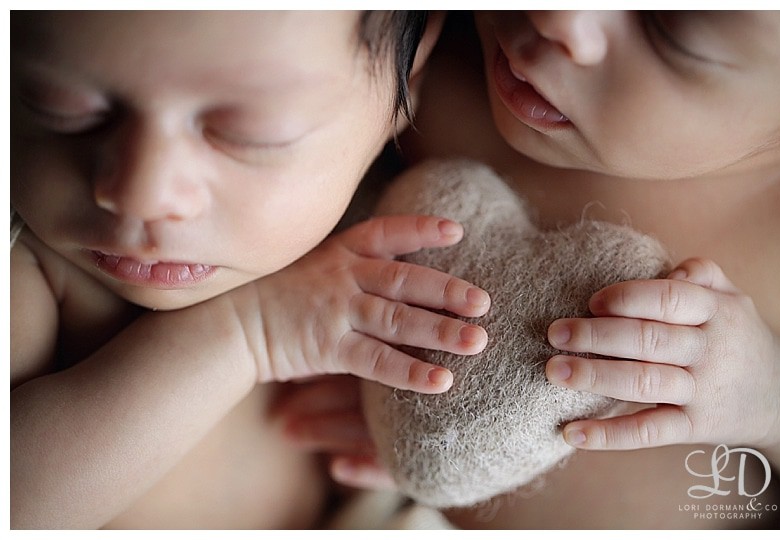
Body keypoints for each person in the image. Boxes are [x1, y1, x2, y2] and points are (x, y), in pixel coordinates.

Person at [281, 11, 780, 528]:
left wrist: (772, 396)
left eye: (665, 23)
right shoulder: (427, 50)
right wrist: (376, 374)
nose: (554, 15)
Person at [9, 10, 495, 529]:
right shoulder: (32, 261)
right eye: (61, 108)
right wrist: (248, 334)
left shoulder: (378, 225)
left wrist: (398, 439)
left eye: (251, 136)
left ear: (410, 77)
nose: (142, 193)